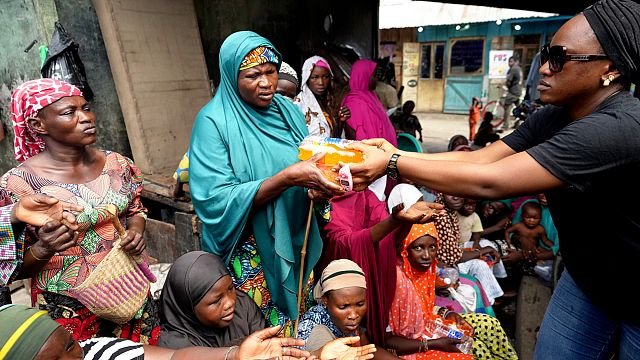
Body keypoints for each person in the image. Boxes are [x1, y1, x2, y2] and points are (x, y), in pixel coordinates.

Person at [347, 1, 640, 357]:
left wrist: (392, 162)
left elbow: (491, 181)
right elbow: (481, 159)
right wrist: (397, 154)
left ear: (608, 69)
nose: (543, 68)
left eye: (559, 58)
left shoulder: (620, 128)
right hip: (588, 280)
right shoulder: (554, 116)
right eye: (546, 54)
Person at [188, 31, 344, 336]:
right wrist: (287, 178)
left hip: (295, 236)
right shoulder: (213, 122)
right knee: (260, 331)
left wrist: (317, 185)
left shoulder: (286, 111)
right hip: (251, 253)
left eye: (271, 72)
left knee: (297, 325)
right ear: (232, 76)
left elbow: (306, 159)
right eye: (253, 75)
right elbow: (214, 199)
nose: (266, 83)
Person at [1, 78, 158, 343]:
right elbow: (8, 269)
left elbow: (135, 208)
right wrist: (43, 249)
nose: (86, 118)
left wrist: (136, 231)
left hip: (128, 292)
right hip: (68, 308)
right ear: (38, 125)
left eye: (86, 108)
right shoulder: (16, 186)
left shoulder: (117, 164)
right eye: (69, 112)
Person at [322, 178, 441, 345]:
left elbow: (388, 242)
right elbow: (343, 243)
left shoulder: (369, 197)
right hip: (343, 286)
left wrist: (401, 223)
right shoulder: (332, 199)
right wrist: (394, 221)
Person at [171, 61, 300, 201]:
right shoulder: (219, 122)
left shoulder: (291, 116)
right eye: (280, 93)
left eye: (290, 96)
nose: (285, 100)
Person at [386, 223, 518, 359]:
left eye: (432, 247)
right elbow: (387, 339)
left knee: (489, 324)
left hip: (429, 326)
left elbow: (424, 309)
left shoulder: (426, 272)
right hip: (410, 344)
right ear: (405, 249)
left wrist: (446, 313)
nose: (427, 256)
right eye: (418, 248)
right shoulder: (396, 280)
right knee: (474, 349)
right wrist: (432, 344)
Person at [0, 303, 317, 360]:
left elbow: (176, 357)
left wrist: (235, 355)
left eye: (69, 347)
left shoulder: (98, 352)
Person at [158, 251, 265, 349]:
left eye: (230, 288)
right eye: (216, 301)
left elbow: (268, 345)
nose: (230, 302)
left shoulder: (242, 304)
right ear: (188, 308)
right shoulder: (174, 347)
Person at [296, 259, 380, 359]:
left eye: (360, 304)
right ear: (325, 300)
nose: (353, 315)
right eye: (343, 307)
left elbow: (368, 349)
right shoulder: (317, 330)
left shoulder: (345, 321)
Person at [1, 192, 83, 287]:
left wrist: (13, 213)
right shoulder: (10, 185)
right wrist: (43, 249)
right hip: (57, 289)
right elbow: (8, 272)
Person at [343, 59, 398, 146]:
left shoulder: (371, 96)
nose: (376, 79)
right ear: (364, 76)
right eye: (374, 75)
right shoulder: (354, 102)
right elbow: (358, 135)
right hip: (372, 153)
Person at [294, 56, 351, 137]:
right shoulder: (299, 105)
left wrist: (340, 122)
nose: (321, 82)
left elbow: (334, 138)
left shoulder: (330, 103)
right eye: (315, 77)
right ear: (306, 78)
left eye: (325, 77)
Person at [502, 56, 522, 130]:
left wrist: (506, 86)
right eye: (509, 61)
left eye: (511, 61)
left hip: (513, 92)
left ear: (516, 62)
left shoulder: (513, 69)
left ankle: (505, 125)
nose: (509, 63)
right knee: (519, 108)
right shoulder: (519, 69)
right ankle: (518, 124)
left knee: (507, 107)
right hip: (518, 91)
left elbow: (509, 81)